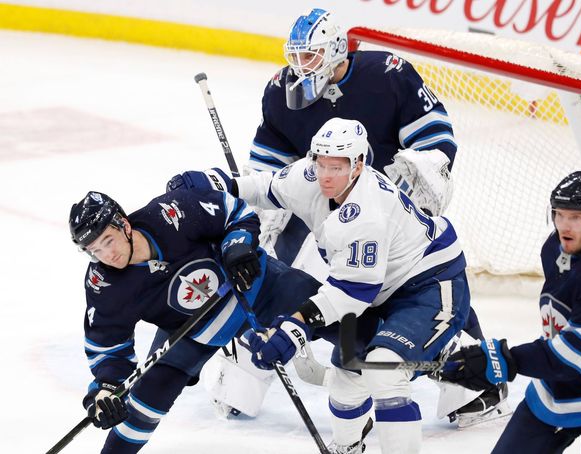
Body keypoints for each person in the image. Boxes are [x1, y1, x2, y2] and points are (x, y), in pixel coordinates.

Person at [171, 6, 505, 426]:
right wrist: (259, 204)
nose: (298, 66)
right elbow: (269, 167)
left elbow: (435, 135)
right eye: (294, 55)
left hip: (390, 208)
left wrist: (421, 170)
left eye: (308, 56)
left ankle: (470, 380)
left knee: (417, 292)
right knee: (279, 284)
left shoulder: (387, 74)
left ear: (334, 51)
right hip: (320, 205)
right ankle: (246, 377)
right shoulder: (280, 93)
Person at [221, 117, 469, 453]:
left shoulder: (367, 214)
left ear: (359, 164)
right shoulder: (310, 175)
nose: (325, 174)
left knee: (383, 370)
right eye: (321, 163)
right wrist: (219, 185)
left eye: (336, 167)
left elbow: (351, 294)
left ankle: (446, 352)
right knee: (344, 381)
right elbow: (264, 188)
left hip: (430, 287)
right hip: (380, 292)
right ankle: (347, 447)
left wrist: (295, 328)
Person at [68, 187, 322, 453]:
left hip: (255, 286)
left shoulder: (171, 213)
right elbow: (107, 347)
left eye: (108, 240)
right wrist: (106, 390)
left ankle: (362, 404)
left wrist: (237, 246)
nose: (106, 256)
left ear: (124, 224)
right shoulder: (104, 284)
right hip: (192, 329)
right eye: (94, 250)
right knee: (144, 401)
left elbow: (234, 211)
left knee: (340, 316)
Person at [435, 171, 581, 453]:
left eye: (576, 217)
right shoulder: (555, 248)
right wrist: (496, 359)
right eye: (559, 214)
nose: (564, 226)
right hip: (558, 392)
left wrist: (502, 360)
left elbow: (576, 354)